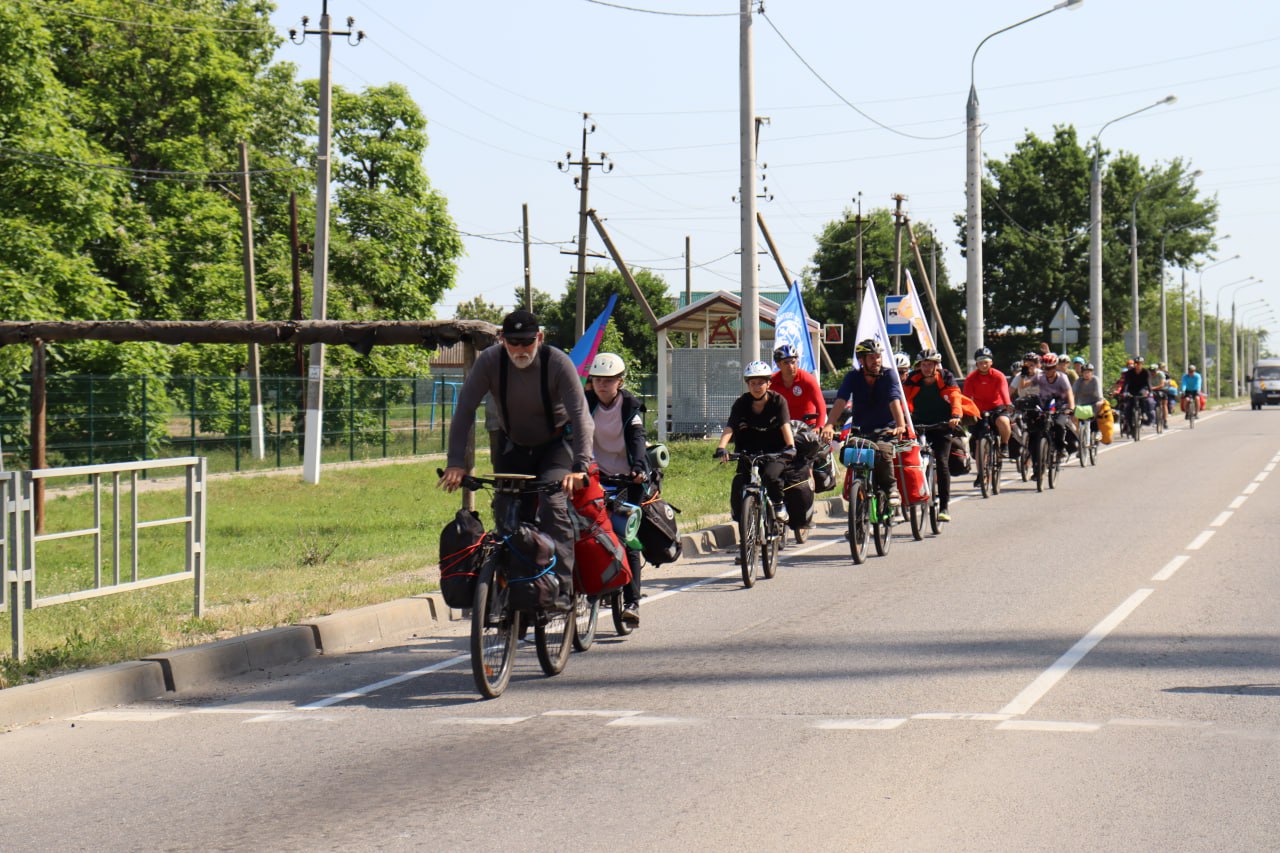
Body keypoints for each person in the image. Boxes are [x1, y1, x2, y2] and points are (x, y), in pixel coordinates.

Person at [439, 310, 593, 611]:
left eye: (526, 342)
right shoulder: (490, 362)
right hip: (515, 447)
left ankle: (562, 588)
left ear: (540, 338)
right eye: (513, 343)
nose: (521, 350)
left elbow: (581, 416)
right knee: (507, 515)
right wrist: (457, 462)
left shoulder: (557, 362)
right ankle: (511, 590)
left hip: (556, 446)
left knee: (553, 504)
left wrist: (581, 467)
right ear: (501, 340)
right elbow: (465, 411)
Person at [584, 352, 649, 627]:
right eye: (598, 380)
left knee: (626, 537)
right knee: (585, 531)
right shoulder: (586, 404)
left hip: (628, 478)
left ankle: (632, 602)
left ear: (619, 382)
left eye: (608, 381)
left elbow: (637, 438)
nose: (602, 385)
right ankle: (591, 584)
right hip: (595, 477)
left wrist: (638, 469)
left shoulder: (629, 405)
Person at [821, 338, 908, 505]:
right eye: (871, 357)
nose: (876, 361)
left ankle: (891, 488)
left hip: (886, 429)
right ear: (861, 360)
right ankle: (857, 505)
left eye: (878, 357)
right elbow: (841, 401)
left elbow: (894, 400)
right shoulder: (853, 377)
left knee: (883, 451)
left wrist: (900, 425)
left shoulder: (889, 375)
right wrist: (829, 425)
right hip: (861, 430)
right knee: (849, 453)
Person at [714, 361, 797, 533]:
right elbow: (730, 426)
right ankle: (746, 531)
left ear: (768, 383)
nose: (757, 386)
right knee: (739, 484)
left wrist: (790, 447)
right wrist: (721, 448)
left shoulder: (778, 401)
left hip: (776, 452)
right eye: (753, 383)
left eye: (761, 382)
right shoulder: (741, 403)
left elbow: (785, 426)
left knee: (770, 477)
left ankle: (779, 505)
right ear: (747, 384)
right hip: (749, 452)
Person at [768, 343, 821, 542]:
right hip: (783, 428)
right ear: (778, 365)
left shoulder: (806, 378)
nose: (791, 365)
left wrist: (820, 427)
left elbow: (821, 404)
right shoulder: (772, 382)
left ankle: (808, 486)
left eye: (793, 361)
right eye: (786, 362)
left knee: (803, 464)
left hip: (805, 428)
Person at [902, 348, 962, 522]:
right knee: (911, 461)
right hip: (919, 425)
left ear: (937, 365)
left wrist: (956, 415)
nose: (927, 368)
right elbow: (904, 400)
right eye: (924, 364)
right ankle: (910, 498)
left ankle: (944, 506)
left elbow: (955, 395)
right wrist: (902, 421)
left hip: (943, 425)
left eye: (930, 364)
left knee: (942, 462)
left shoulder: (946, 376)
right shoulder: (913, 379)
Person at [964, 346, 1015, 478]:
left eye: (986, 362)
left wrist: (1008, 404)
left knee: (1004, 421)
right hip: (979, 410)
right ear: (977, 364)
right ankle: (981, 474)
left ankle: (1004, 445)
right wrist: (964, 410)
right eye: (981, 362)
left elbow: (1004, 392)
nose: (984, 365)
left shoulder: (999, 376)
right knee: (977, 442)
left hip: (997, 407)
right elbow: (966, 397)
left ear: (991, 362)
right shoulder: (971, 378)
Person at [1035, 353, 1078, 454]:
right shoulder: (1040, 377)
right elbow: (1026, 386)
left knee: (1059, 424)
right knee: (1037, 424)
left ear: (1055, 367)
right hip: (1045, 405)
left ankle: (1060, 447)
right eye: (1045, 368)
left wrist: (1070, 408)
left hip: (1060, 405)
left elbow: (1069, 393)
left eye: (1051, 368)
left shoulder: (1062, 377)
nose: (1048, 371)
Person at [1121, 355, 1156, 426]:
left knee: (1144, 400)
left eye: (1140, 363)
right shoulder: (1129, 372)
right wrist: (1124, 392)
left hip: (1142, 389)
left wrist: (1150, 392)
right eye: (1136, 363)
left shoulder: (1146, 372)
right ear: (1134, 364)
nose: (1138, 365)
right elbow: (1126, 383)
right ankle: (1128, 422)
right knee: (1129, 406)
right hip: (1132, 389)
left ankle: (1143, 414)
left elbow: (1148, 383)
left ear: (1142, 364)